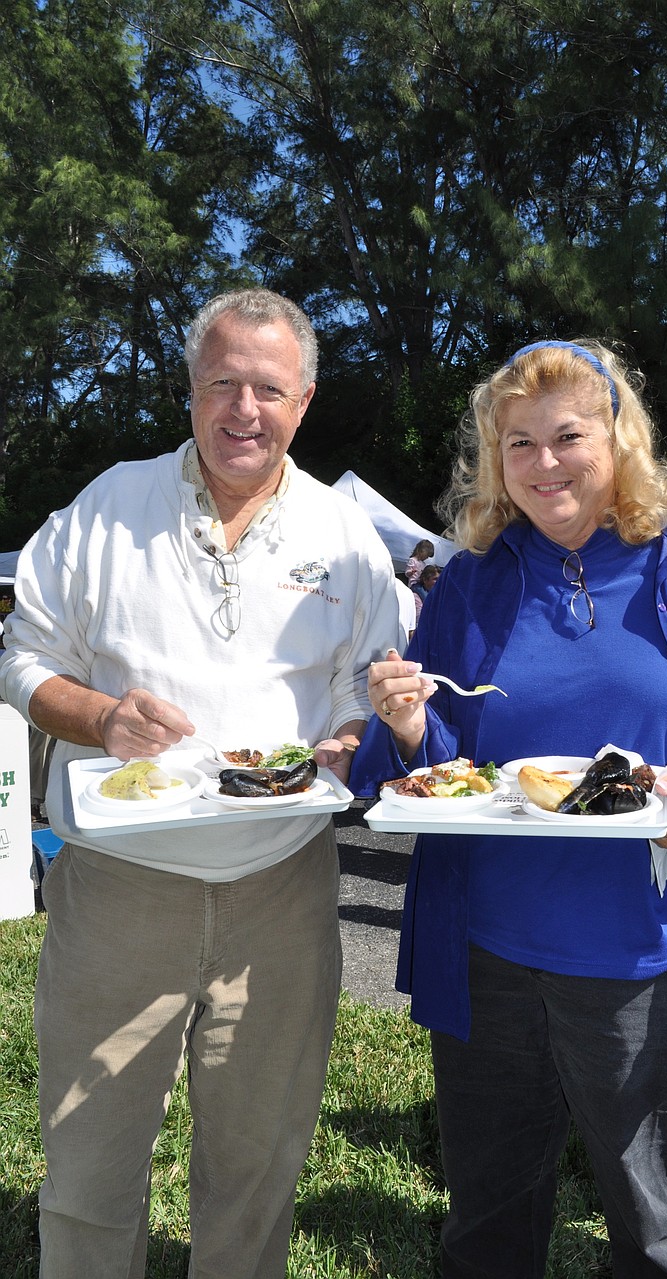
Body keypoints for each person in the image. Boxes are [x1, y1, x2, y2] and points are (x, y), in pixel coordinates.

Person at [350, 340, 667, 1279]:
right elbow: (448, 769)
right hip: (490, 958)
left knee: (655, 1229)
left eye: (567, 435)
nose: (543, 463)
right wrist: (411, 729)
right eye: (518, 443)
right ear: (495, 461)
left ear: (618, 436)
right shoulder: (475, 579)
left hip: (648, 962)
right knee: (486, 1219)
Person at [0, 287, 399, 1279]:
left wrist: (356, 728)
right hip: (120, 883)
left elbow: (369, 677)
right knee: (91, 1172)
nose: (243, 409)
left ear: (303, 401)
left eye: (268, 388)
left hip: (282, 888)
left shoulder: (346, 535)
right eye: (222, 383)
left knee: (257, 1170)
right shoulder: (107, 507)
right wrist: (99, 717)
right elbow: (21, 656)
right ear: (190, 390)